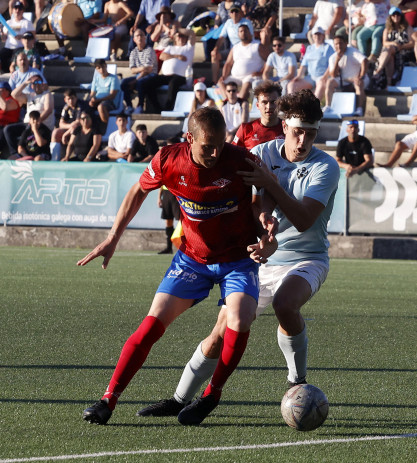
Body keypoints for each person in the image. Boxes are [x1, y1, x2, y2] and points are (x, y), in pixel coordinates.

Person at [136, 89, 339, 419]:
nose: (303, 140)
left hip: (307, 257)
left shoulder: (325, 167)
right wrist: (262, 222)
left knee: (286, 303)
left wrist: (271, 184)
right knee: (220, 332)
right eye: (298, 131)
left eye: (311, 133)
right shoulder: (261, 152)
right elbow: (252, 203)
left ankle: (296, 381)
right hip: (258, 257)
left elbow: (303, 221)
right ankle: (179, 398)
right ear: (285, 125)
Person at [79, 106, 277, 426]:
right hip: (192, 260)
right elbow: (137, 191)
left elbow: (266, 191)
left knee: (239, 321)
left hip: (238, 260)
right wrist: (114, 237)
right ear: (189, 138)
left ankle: (212, 394)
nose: (215, 152)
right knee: (151, 324)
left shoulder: (241, 160)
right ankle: (108, 400)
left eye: (220, 144)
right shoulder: (168, 160)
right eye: (207, 145)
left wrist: (267, 218)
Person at [142, 28, 194, 114]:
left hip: (181, 76)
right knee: (148, 83)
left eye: (183, 36)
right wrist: (177, 56)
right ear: (175, 38)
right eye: (179, 36)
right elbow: (162, 56)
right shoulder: (170, 47)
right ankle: (157, 108)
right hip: (166, 76)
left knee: (173, 83)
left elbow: (192, 33)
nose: (180, 38)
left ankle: (168, 107)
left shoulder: (189, 47)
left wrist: (178, 31)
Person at [316, 34, 367, 117]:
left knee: (359, 83)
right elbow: (333, 74)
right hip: (343, 80)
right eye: (336, 44)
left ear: (345, 43)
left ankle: (359, 109)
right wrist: (337, 60)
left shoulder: (353, 51)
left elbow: (364, 60)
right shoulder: (332, 57)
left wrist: (361, 76)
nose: (339, 46)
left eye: (341, 43)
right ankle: (328, 106)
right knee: (330, 82)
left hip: (357, 78)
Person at [5, 74, 55, 157]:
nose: (37, 84)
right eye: (34, 82)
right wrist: (25, 83)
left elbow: (48, 110)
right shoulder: (29, 95)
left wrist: (36, 122)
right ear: (31, 86)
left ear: (42, 84)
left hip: (42, 126)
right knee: (7, 129)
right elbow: (14, 95)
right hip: (28, 124)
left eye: (39, 81)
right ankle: (15, 153)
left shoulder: (47, 95)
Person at [218, 23, 268, 101]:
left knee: (247, 84)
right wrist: (224, 75)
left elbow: (269, 60)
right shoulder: (235, 47)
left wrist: (261, 72)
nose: (243, 33)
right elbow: (228, 63)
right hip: (235, 77)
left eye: (245, 31)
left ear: (250, 33)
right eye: (241, 31)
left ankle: (239, 102)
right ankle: (228, 101)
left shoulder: (258, 45)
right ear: (238, 34)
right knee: (221, 82)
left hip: (250, 76)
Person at [233, 80, 283, 149]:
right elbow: (232, 155)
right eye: (264, 102)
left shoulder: (288, 129)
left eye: (273, 102)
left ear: (280, 104)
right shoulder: (246, 129)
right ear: (257, 105)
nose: (269, 107)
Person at [210, 2, 253, 83]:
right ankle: (215, 82)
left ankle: (227, 81)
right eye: (232, 11)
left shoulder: (247, 23)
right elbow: (221, 37)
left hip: (244, 50)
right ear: (229, 14)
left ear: (240, 13)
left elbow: (251, 38)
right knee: (214, 55)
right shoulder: (228, 22)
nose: (234, 14)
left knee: (229, 62)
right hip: (231, 50)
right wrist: (215, 49)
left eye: (236, 11)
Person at [373, 7, 415, 89]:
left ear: (401, 16)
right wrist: (393, 43)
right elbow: (384, 42)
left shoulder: (407, 28)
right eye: (393, 15)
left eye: (398, 15)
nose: (396, 17)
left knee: (389, 51)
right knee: (390, 54)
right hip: (391, 51)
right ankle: (389, 83)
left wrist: (401, 46)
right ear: (390, 17)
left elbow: (412, 43)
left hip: (403, 51)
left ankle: (378, 70)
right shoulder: (387, 29)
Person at [287, 27, 334, 94]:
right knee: (291, 85)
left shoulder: (328, 47)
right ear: (312, 36)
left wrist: (325, 77)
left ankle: (315, 104)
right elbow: (304, 64)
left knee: (321, 84)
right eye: (315, 34)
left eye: (319, 34)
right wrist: (299, 76)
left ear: (323, 36)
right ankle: (292, 104)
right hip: (310, 77)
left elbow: (331, 64)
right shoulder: (310, 48)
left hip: (322, 76)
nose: (317, 36)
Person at [121, 28, 156, 114]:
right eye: (137, 36)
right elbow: (132, 70)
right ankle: (129, 106)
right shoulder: (133, 52)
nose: (140, 37)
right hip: (139, 75)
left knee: (140, 82)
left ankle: (140, 106)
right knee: (123, 82)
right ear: (134, 39)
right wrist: (142, 68)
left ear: (145, 38)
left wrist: (136, 79)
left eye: (142, 35)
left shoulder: (149, 50)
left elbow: (149, 69)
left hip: (152, 75)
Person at [0, 1, 34, 73]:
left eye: (20, 9)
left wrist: (22, 37)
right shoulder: (8, 23)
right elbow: (3, 39)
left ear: (23, 11)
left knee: (16, 56)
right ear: (13, 10)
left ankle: (14, 73)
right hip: (8, 47)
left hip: (20, 47)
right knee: (0, 55)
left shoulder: (27, 23)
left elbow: (33, 37)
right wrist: (1, 32)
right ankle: (5, 72)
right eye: (16, 8)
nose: (17, 11)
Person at [87, 58, 122, 127]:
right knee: (85, 107)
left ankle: (106, 126)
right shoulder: (96, 78)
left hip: (110, 102)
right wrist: (91, 99)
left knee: (101, 107)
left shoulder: (113, 78)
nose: (101, 69)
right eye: (99, 68)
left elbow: (112, 95)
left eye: (103, 66)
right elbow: (92, 93)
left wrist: (98, 100)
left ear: (106, 66)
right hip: (98, 100)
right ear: (96, 69)